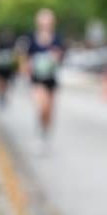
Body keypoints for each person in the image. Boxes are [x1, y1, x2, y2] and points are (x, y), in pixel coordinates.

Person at [21, 9, 64, 154]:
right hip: (36, 79)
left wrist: (55, 57)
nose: (45, 22)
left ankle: (45, 135)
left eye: (48, 19)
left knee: (49, 111)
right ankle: (40, 135)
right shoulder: (31, 37)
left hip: (51, 78)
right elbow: (25, 57)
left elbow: (61, 54)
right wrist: (26, 66)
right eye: (42, 19)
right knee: (43, 106)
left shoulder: (57, 37)